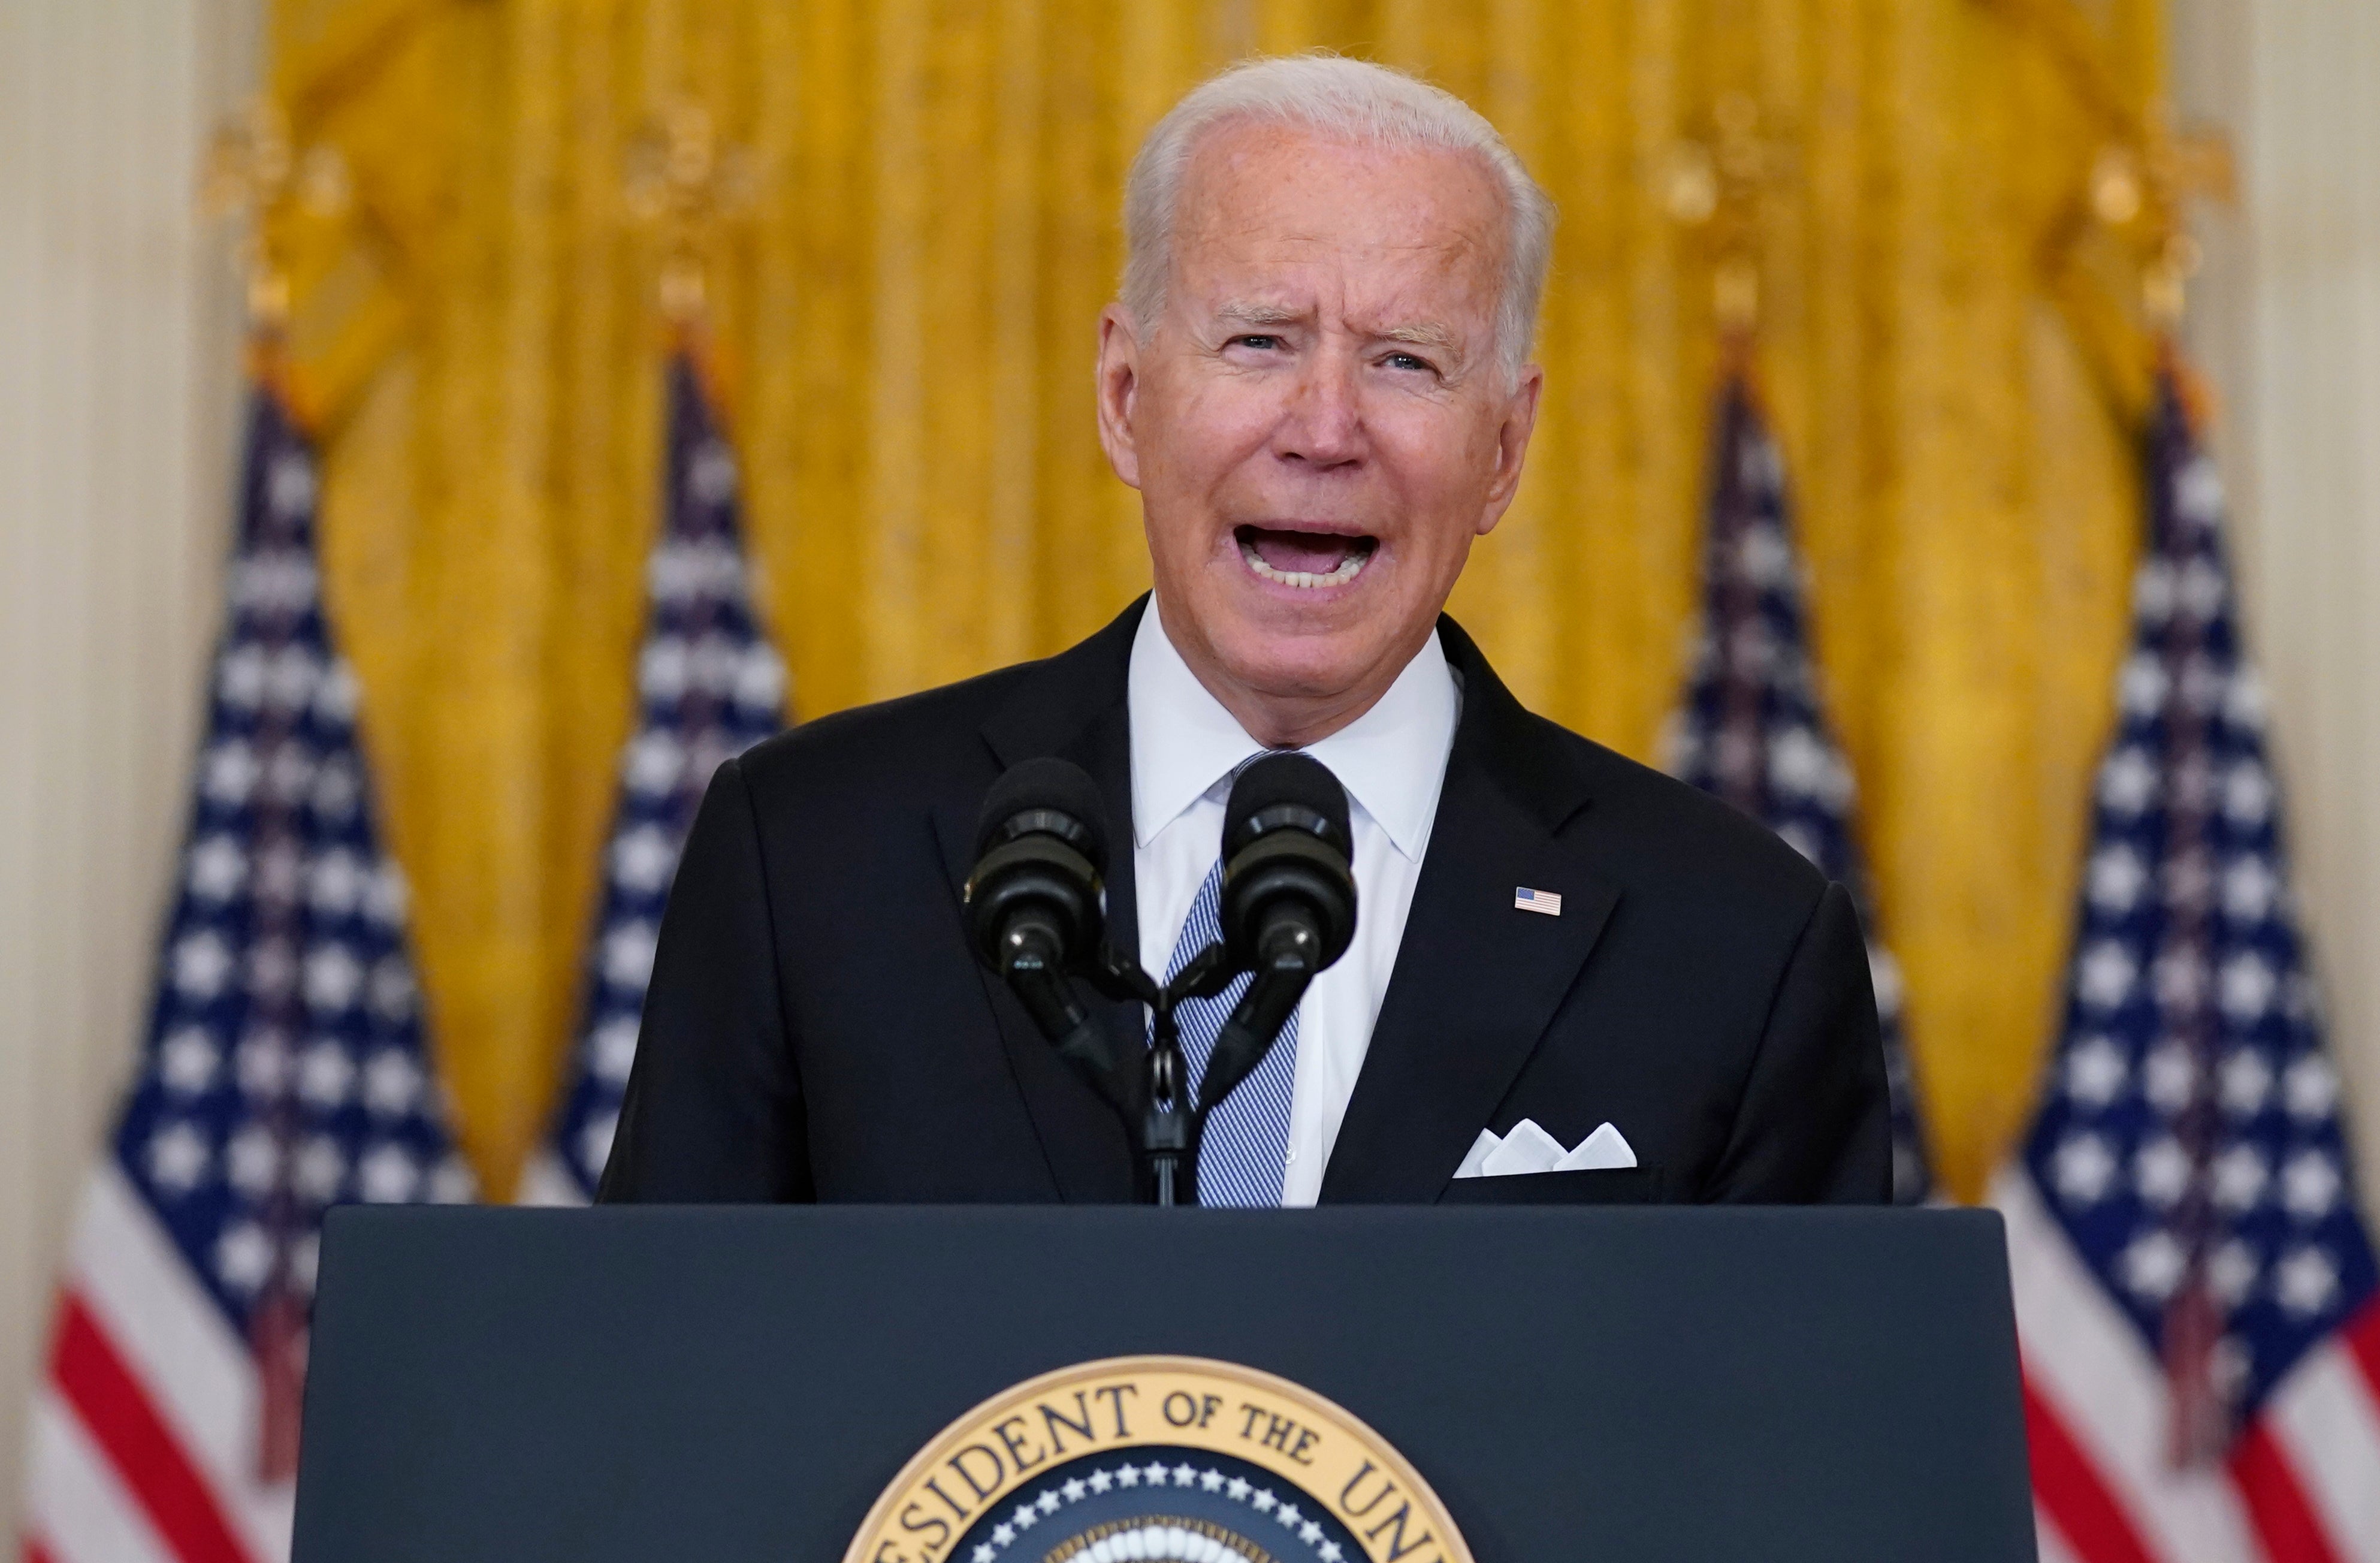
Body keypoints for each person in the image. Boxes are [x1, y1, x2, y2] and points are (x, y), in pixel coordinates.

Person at [599, 54, 1890, 1206]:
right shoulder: (813, 860)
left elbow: (1802, 1459)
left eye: (1405, 361)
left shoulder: (1736, 946)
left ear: (1504, 448)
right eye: (1259, 340)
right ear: (1122, 397)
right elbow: (657, 1403)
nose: (1323, 428)